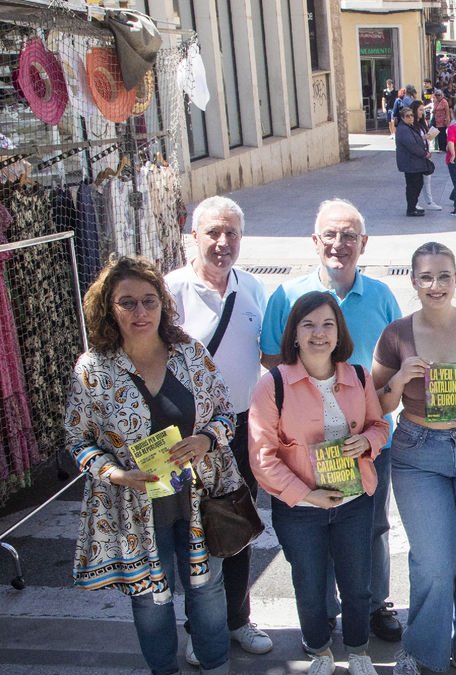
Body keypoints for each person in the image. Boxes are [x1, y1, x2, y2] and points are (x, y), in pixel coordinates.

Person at [66, 256, 246, 675]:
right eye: (127, 303)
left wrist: (205, 439)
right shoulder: (93, 370)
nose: (140, 311)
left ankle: (216, 664)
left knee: (207, 589)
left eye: (150, 300)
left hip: (199, 500)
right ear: (108, 309)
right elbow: (78, 440)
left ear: (164, 304)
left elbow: (226, 414)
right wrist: (114, 474)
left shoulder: (189, 354)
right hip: (135, 509)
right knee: (150, 599)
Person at [260, 199, 404, 643]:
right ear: (314, 240)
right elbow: (271, 360)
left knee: (372, 529)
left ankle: (374, 603)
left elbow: (399, 358)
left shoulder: (381, 295)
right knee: (313, 539)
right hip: (304, 449)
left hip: (364, 441)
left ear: (363, 243)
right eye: (330, 235)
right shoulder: (286, 296)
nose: (338, 245)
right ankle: (320, 612)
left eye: (348, 236)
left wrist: (372, 423)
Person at [369, 243, 456, 674]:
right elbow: (376, 404)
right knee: (433, 561)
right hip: (417, 451)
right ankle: (423, 650)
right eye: (426, 277)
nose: (436, 285)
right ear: (413, 281)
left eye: (444, 276)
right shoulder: (396, 334)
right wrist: (399, 378)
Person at [250, 291, 389, 675]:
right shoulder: (272, 385)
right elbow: (263, 457)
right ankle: (320, 651)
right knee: (310, 587)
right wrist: (306, 494)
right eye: (308, 324)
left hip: (354, 502)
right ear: (294, 333)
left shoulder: (358, 376)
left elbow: (379, 426)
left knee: (357, 583)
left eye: (328, 324)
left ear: (338, 331)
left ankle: (360, 651)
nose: (319, 333)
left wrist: (368, 442)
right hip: (301, 510)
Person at [165, 197, 273, 664]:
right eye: (212, 232)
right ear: (193, 236)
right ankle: (201, 627)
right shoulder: (170, 290)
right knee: (193, 533)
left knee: (237, 527)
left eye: (231, 233)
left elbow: (268, 358)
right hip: (187, 433)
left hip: (242, 428)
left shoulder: (252, 288)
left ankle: (237, 619)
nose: (222, 242)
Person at [394, 107, 430, 218]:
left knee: (416, 185)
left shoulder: (409, 127)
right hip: (410, 163)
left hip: (413, 163)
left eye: (412, 115)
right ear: (402, 118)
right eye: (407, 116)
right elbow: (412, 145)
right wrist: (424, 154)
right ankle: (411, 209)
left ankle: (413, 207)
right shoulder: (403, 129)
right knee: (413, 186)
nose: (411, 118)